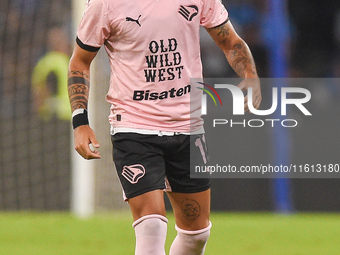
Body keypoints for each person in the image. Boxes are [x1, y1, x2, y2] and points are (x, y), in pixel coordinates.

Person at [68, 0, 261, 254]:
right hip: (134, 127)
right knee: (151, 229)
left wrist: (250, 74)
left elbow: (230, 41)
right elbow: (80, 61)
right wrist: (80, 121)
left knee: (197, 236)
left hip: (188, 127)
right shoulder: (105, 4)